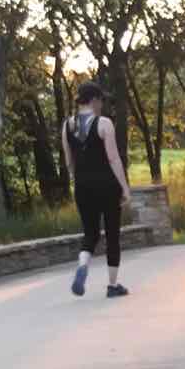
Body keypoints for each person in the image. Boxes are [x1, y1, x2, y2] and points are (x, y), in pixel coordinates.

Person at [61, 82, 132, 298]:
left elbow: (69, 162)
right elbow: (113, 158)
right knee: (112, 234)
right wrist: (124, 188)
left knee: (90, 233)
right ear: (93, 100)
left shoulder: (67, 126)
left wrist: (78, 180)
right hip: (107, 186)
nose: (102, 104)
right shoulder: (104, 123)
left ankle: (83, 265)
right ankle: (112, 285)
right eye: (101, 100)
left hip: (83, 187)